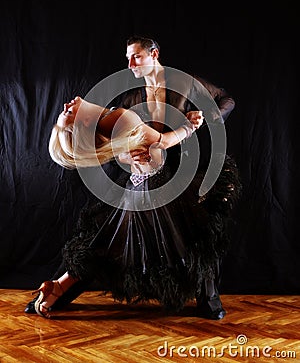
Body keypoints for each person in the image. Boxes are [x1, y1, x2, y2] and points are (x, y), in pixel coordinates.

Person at [25, 35, 241, 319]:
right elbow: (122, 149)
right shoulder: (128, 101)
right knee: (110, 236)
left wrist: (207, 119)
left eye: (135, 56)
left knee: (194, 235)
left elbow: (226, 100)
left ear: (154, 54)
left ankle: (210, 302)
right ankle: (60, 292)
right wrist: (132, 155)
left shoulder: (185, 83)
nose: (129, 64)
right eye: (127, 58)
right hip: (151, 179)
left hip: (181, 171)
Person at [31, 95, 204, 318]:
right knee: (117, 244)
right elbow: (163, 141)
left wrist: (130, 155)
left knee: (107, 241)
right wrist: (190, 126)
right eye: (69, 114)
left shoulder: (105, 120)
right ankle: (59, 287)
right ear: (83, 122)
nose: (66, 105)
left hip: (140, 186)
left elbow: (122, 153)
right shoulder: (117, 118)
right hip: (150, 189)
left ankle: (58, 287)